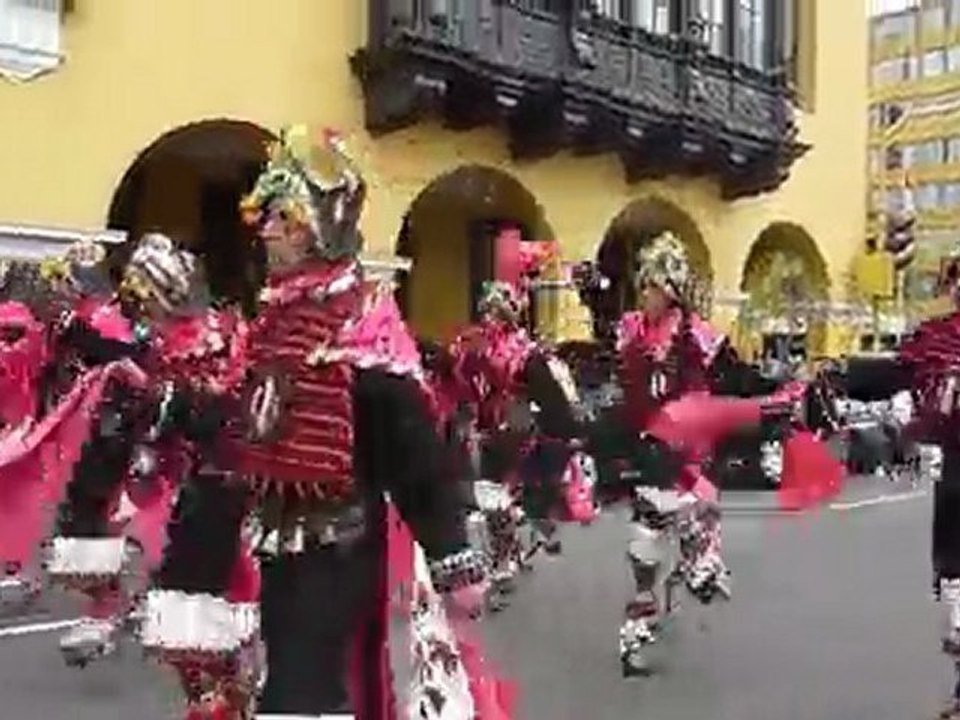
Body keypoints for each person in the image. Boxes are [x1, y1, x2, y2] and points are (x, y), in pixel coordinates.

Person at [234, 126, 487, 718]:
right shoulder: (273, 319)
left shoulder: (361, 325)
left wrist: (452, 555)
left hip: (343, 541)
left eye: (284, 218)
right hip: (278, 537)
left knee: (304, 688)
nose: (267, 230)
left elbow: (412, 453)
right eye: (266, 216)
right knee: (293, 674)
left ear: (320, 228)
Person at [583, 231, 816, 677]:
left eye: (653, 287)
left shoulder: (698, 337)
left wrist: (781, 394)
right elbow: (605, 337)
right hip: (645, 446)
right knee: (645, 544)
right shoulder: (631, 330)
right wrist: (593, 294)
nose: (645, 295)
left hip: (688, 448)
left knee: (692, 515)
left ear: (670, 291)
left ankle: (699, 565)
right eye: (643, 286)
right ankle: (643, 619)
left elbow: (738, 378)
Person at [840, 248, 960, 718]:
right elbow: (892, 373)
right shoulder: (935, 339)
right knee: (955, 583)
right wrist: (839, 376)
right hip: (957, 472)